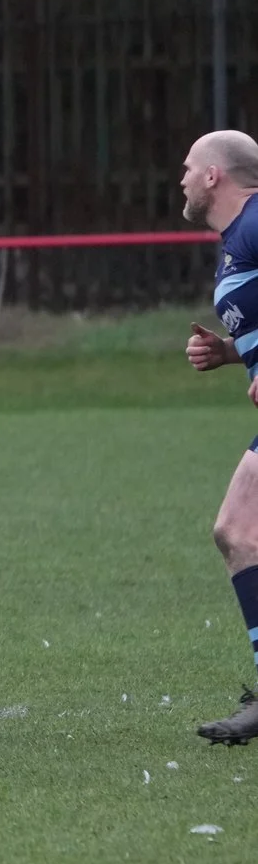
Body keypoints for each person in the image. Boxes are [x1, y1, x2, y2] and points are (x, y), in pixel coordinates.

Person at [178, 130, 258, 743]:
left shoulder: (254, 224)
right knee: (237, 532)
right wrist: (232, 353)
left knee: (239, 529)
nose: (181, 179)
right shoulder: (236, 242)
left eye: (188, 168)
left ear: (213, 176)